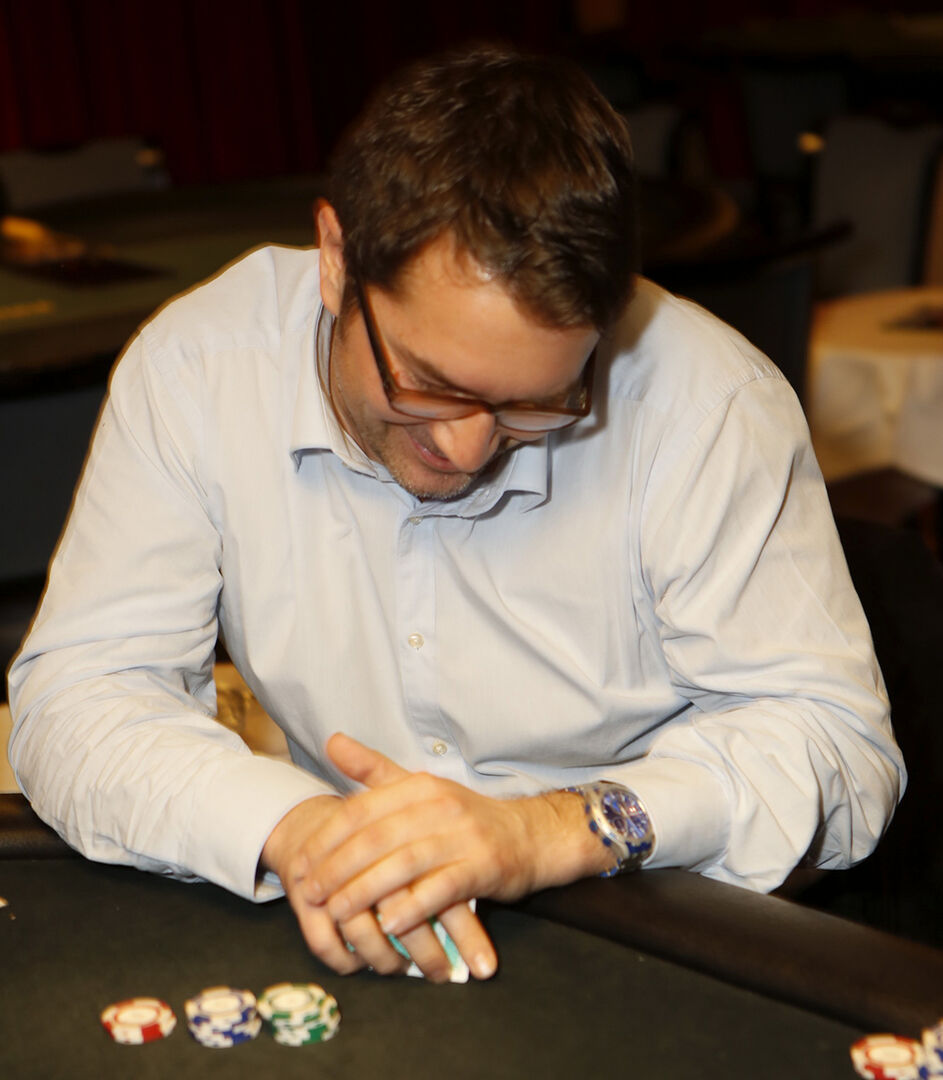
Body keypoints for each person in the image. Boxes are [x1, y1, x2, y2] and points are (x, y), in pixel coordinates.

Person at [7, 45, 903, 984]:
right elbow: (81, 696)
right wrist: (303, 831)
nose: (469, 449)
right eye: (427, 384)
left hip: (646, 922)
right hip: (348, 915)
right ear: (335, 260)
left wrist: (541, 832)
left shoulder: (706, 404)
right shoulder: (201, 368)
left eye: (536, 404)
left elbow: (839, 755)